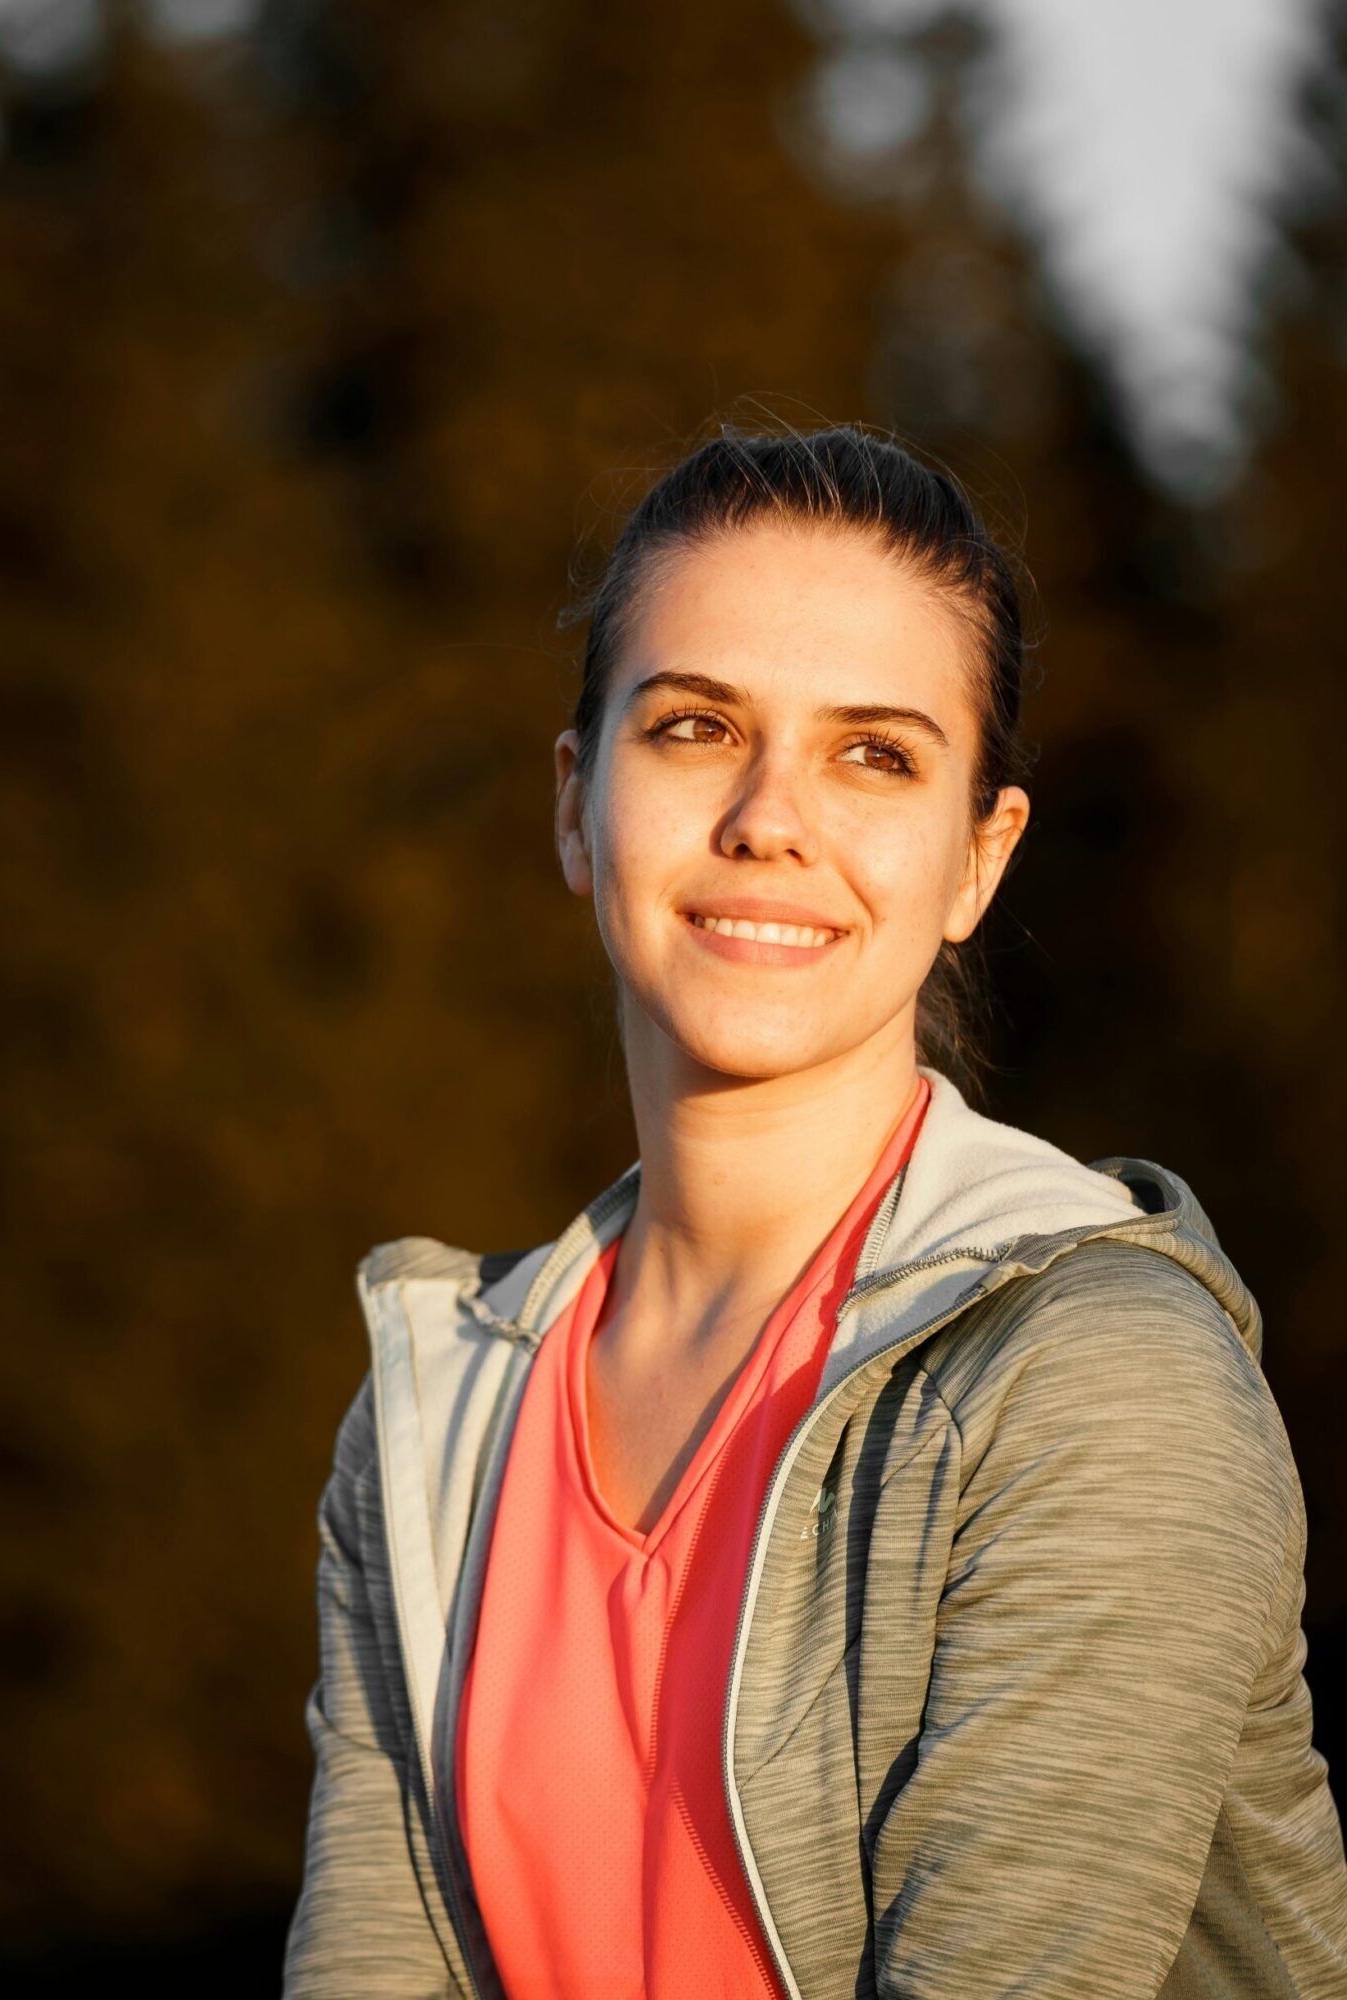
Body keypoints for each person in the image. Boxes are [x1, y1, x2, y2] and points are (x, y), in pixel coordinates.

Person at [282, 423, 1347, 2000]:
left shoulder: (1099, 1377)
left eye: (876, 753)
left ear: (979, 860)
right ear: (576, 808)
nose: (772, 817)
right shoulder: (435, 1420)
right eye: (697, 727)